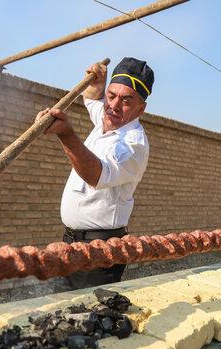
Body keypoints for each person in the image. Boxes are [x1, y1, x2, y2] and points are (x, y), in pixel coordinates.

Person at [36, 57, 154, 289]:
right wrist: (97, 84)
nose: (114, 106)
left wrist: (66, 134)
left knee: (93, 318)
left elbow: (97, 175)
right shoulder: (107, 117)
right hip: (69, 244)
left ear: (141, 108)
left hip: (101, 251)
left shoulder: (133, 144)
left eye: (127, 100)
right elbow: (91, 98)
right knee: (61, 314)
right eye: (112, 96)